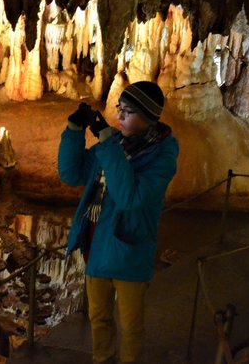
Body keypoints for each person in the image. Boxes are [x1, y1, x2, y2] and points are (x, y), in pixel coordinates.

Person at [59, 81, 179, 364]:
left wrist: (108, 142)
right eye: (119, 109)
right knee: (98, 319)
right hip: (97, 246)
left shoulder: (161, 158)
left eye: (129, 112)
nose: (120, 117)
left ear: (149, 117)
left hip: (129, 251)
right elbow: (71, 173)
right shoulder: (113, 145)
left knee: (130, 327)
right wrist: (74, 131)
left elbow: (129, 197)